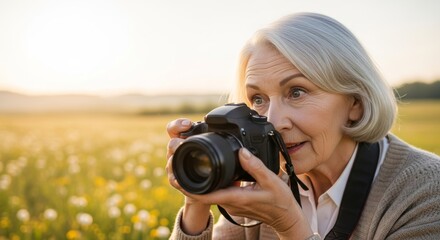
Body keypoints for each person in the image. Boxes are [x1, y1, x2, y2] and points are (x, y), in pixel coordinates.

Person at [165, 12, 440, 239]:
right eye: (257, 99)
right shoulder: (262, 178)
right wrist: (197, 201)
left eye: (296, 92)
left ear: (355, 102)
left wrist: (289, 225)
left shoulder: (425, 189)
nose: (273, 121)